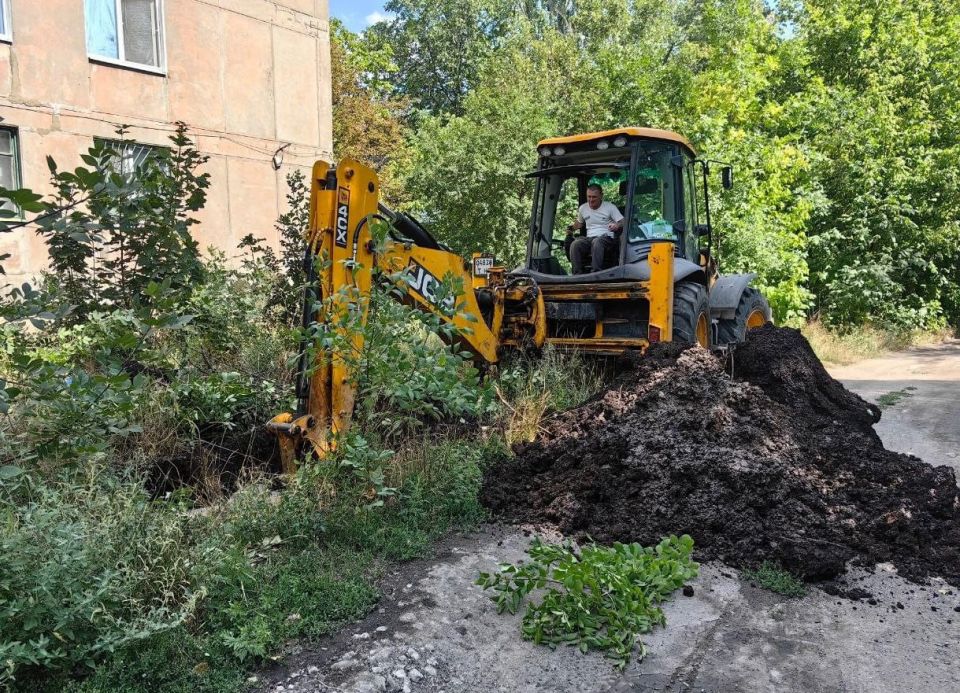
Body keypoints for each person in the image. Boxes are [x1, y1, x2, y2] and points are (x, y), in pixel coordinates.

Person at [566, 184, 624, 274]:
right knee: (575, 244)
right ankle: (577, 275)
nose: (591, 200)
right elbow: (579, 223)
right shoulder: (583, 208)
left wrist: (617, 225)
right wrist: (571, 229)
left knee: (597, 242)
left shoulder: (610, 207)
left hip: (606, 238)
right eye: (589, 197)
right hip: (589, 238)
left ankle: (595, 273)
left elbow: (623, 221)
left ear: (601, 196)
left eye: (594, 197)